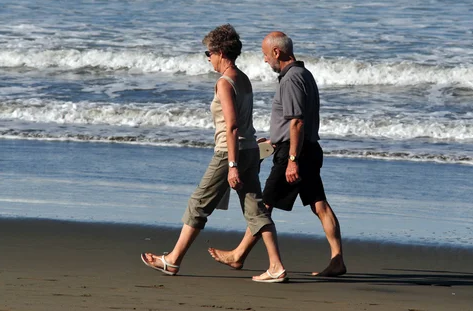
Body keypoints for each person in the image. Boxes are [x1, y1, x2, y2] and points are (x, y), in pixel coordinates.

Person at [141, 24, 288, 283]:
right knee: (256, 210)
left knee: (198, 204)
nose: (208, 58)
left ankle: (173, 260)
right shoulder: (242, 78)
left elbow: (231, 125)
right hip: (250, 149)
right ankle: (276, 266)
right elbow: (244, 122)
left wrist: (231, 164)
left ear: (220, 52)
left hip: (230, 153)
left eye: (208, 53)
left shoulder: (224, 82)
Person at [208, 31, 347, 277]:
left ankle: (239, 255)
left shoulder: (291, 78)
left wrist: (291, 159)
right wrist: (275, 139)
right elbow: (296, 121)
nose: (264, 60)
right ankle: (337, 259)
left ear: (277, 52)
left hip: (295, 153)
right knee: (319, 205)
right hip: (309, 149)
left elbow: (297, 122)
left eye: (265, 55)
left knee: (264, 205)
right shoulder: (304, 74)